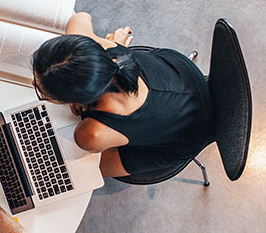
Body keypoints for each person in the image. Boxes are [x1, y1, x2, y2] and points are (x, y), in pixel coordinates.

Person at [32, 13, 215, 178]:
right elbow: (79, 18)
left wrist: (84, 109)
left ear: (72, 100)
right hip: (183, 76)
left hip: (187, 137)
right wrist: (114, 46)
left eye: (41, 92)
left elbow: (89, 137)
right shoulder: (103, 49)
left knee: (81, 170)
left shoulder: (90, 134)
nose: (33, 84)